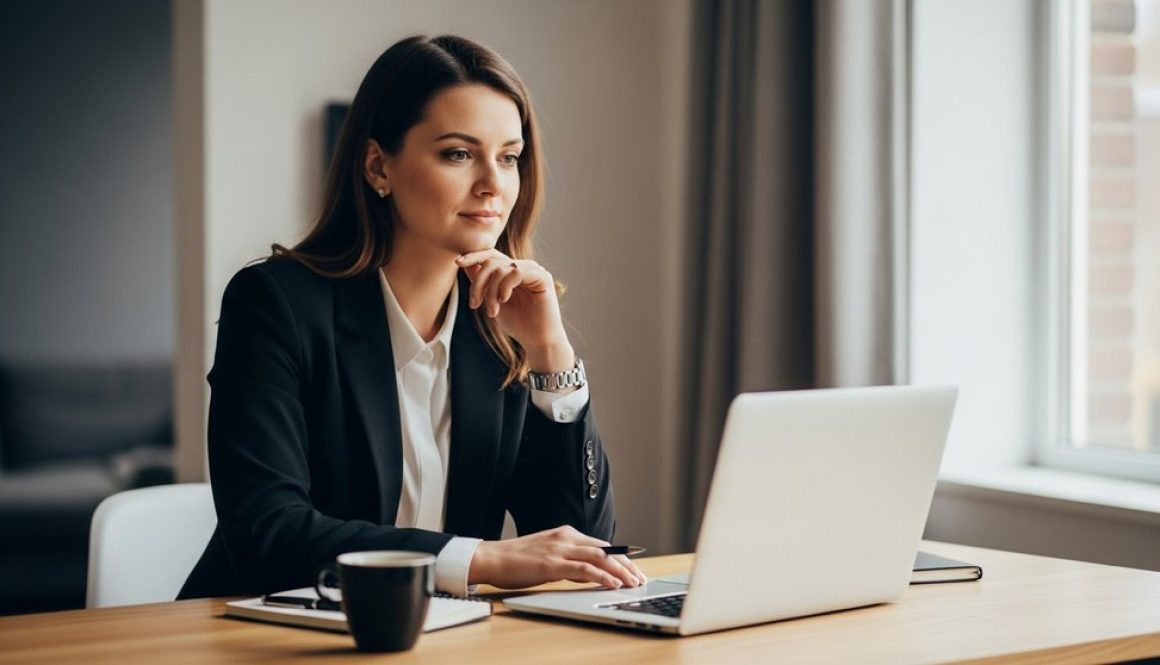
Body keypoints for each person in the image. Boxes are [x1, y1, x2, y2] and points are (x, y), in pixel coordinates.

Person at [178, 34, 645, 599]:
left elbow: (583, 544)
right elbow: (268, 532)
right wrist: (483, 559)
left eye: (509, 157)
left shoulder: (501, 322)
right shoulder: (275, 304)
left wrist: (551, 352)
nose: (494, 184)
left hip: (441, 639)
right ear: (379, 166)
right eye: (458, 153)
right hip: (268, 638)